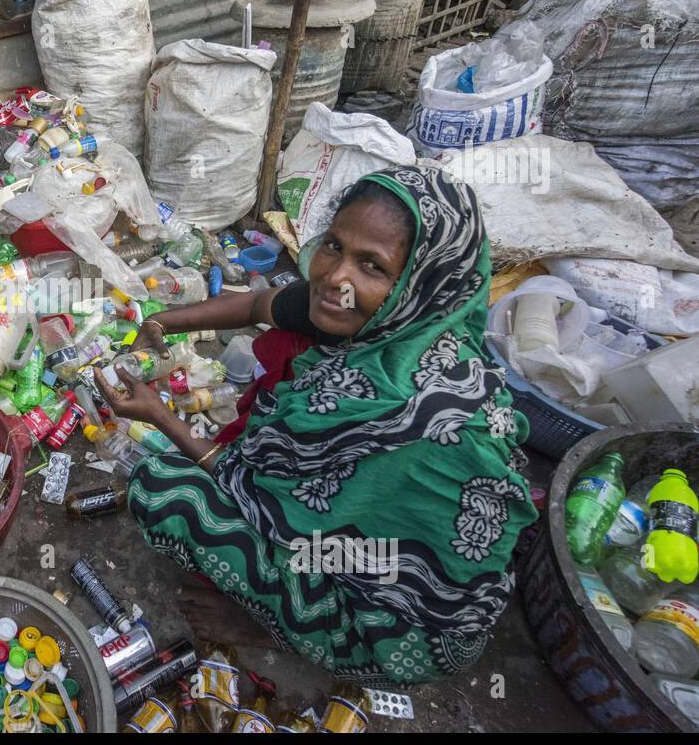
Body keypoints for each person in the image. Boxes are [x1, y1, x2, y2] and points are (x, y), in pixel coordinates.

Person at [98, 167, 538, 687]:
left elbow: (246, 490)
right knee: (296, 345)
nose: (335, 277)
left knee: (163, 489)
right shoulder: (392, 317)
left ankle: (289, 628)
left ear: (423, 278)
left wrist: (161, 415)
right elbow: (261, 304)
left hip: (400, 627)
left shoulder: (413, 415)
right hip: (369, 544)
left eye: (371, 264)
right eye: (334, 246)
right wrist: (161, 322)